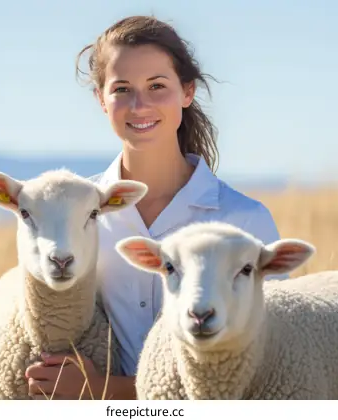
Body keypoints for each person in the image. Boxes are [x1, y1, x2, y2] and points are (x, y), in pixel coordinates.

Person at [24, 15, 286, 400]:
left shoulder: (244, 220)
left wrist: (103, 392)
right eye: (122, 89)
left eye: (157, 86)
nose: (139, 104)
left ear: (187, 92)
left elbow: (271, 357)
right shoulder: (71, 215)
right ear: (101, 99)